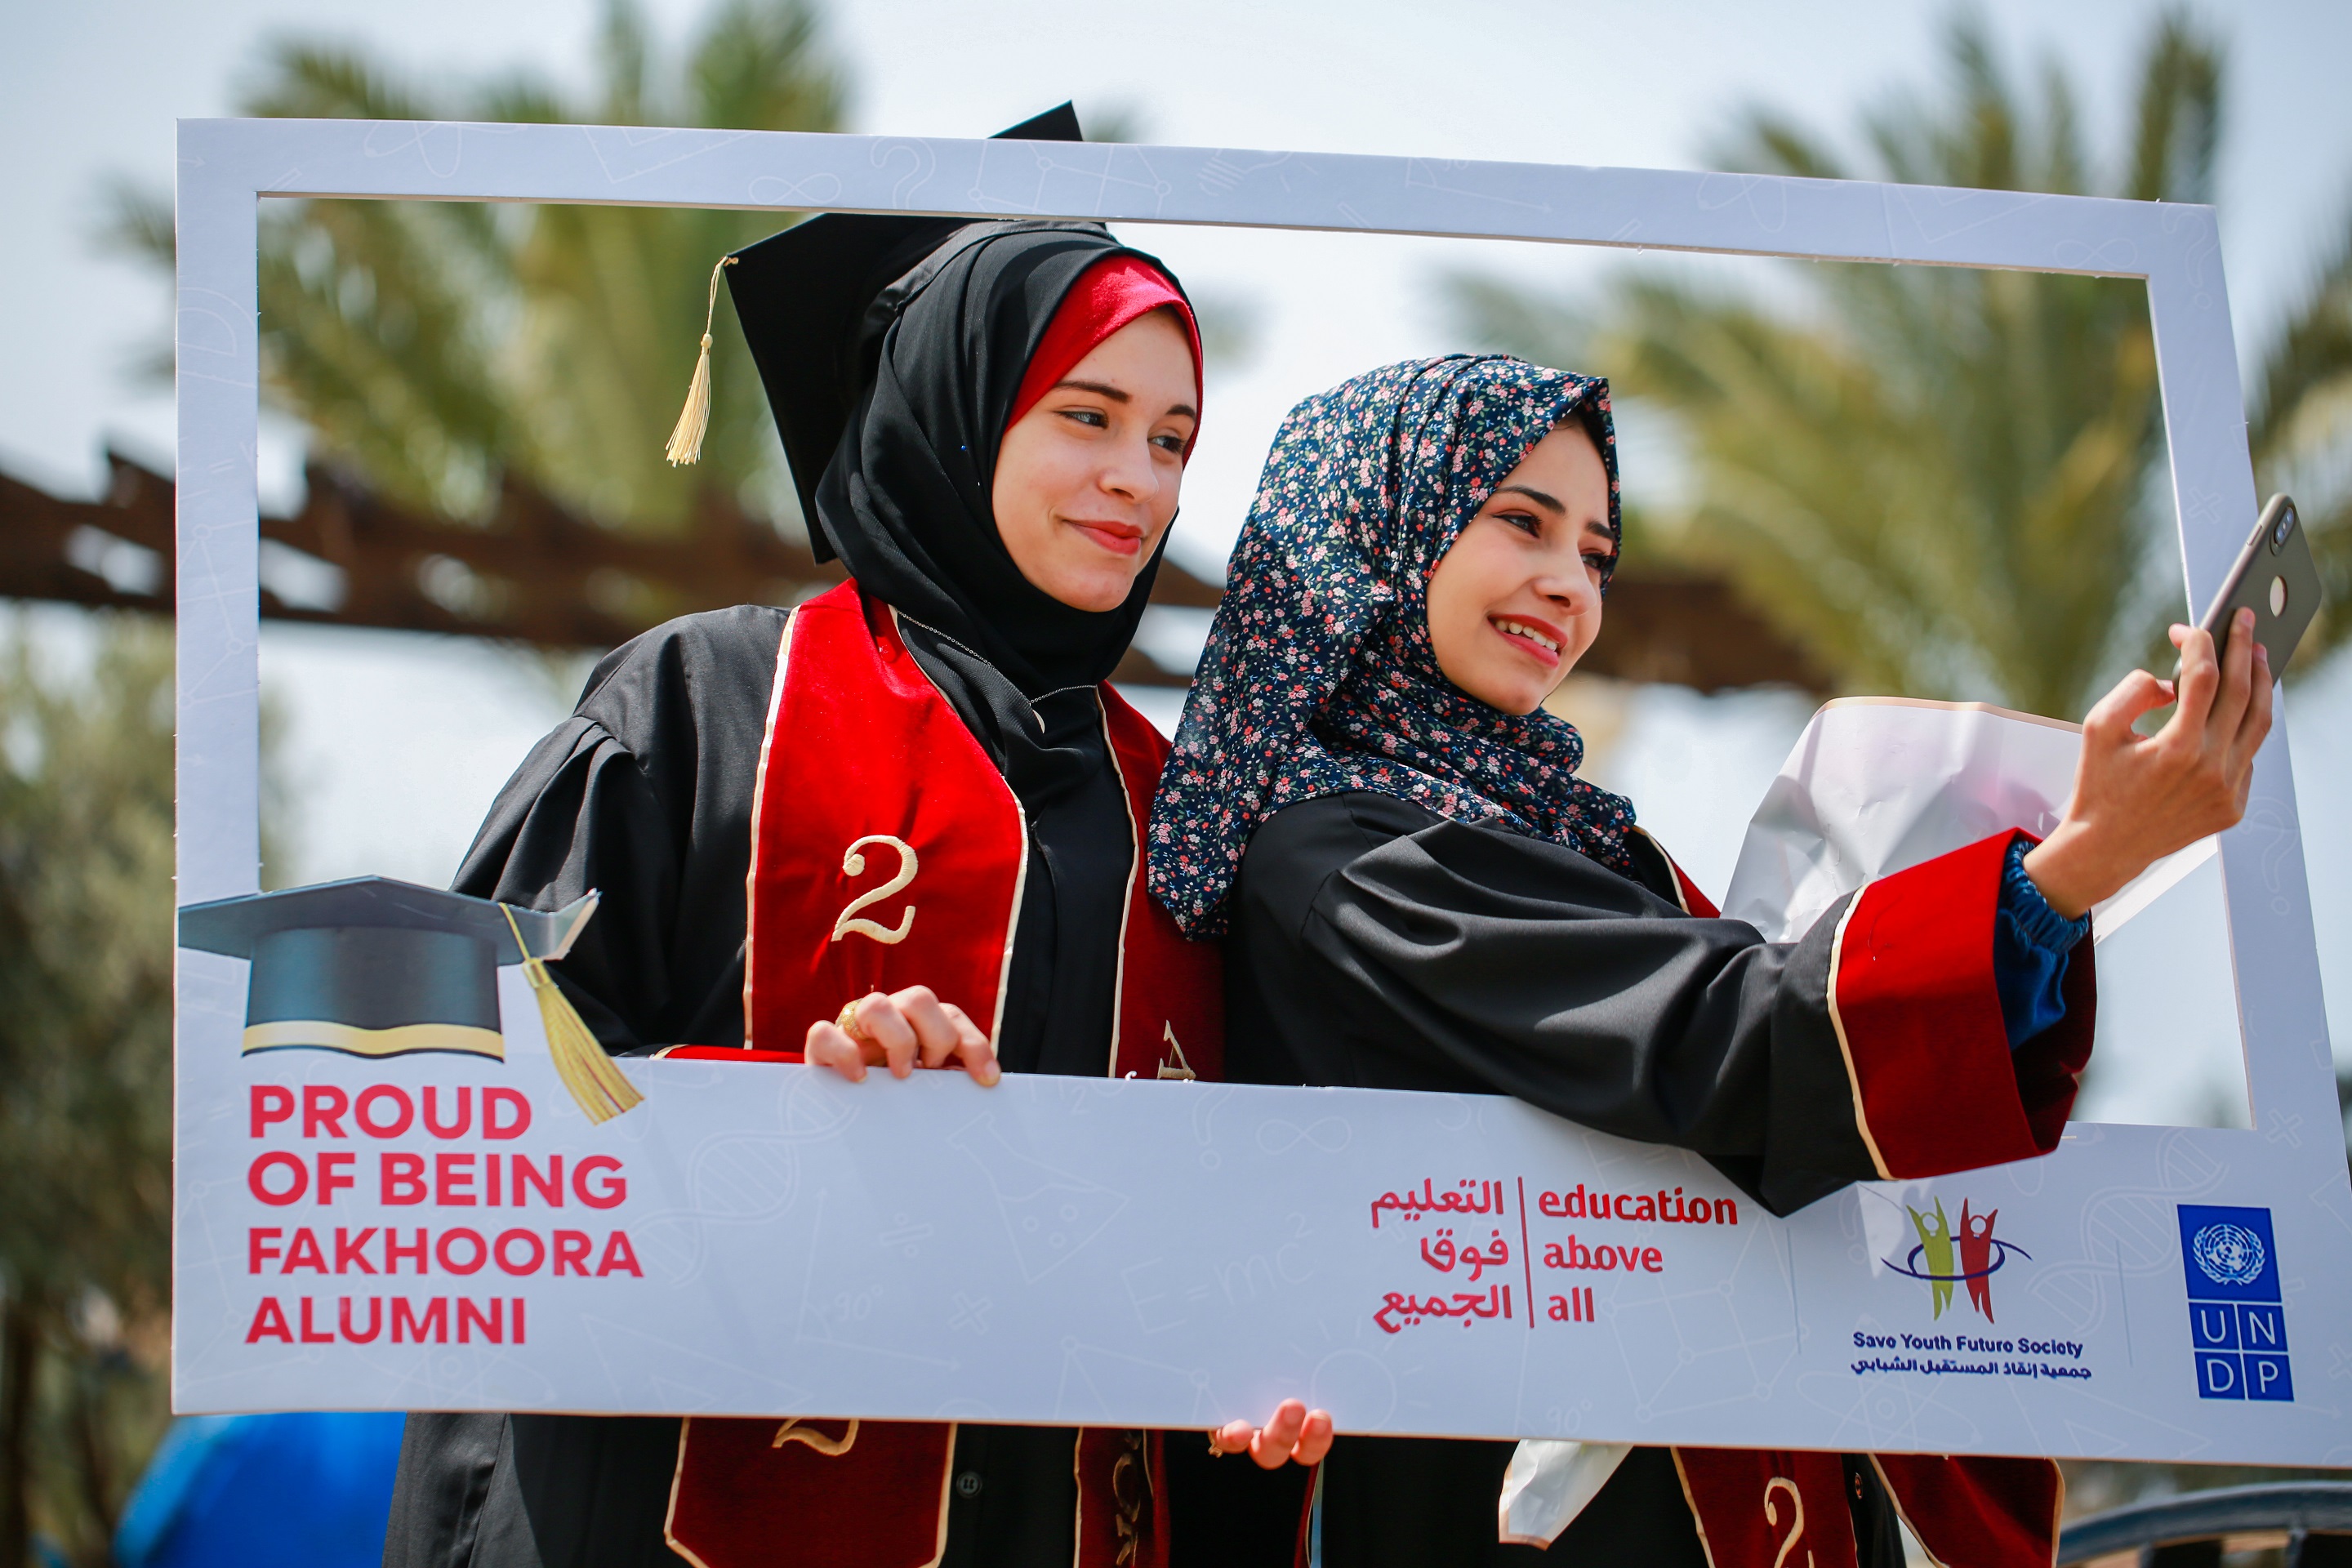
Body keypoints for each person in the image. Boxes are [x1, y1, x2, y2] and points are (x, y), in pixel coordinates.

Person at [384, 107, 1324, 1568]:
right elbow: (456, 1099)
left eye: (1175, 436)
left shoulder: (1184, 813)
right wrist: (777, 1105)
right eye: (1086, 416)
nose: (1141, 478)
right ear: (950, 408)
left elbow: (1228, 1248)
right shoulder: (703, 708)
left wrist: (1266, 1374)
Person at [1145, 354, 2272, 1567]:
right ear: (1373, 527)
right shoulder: (1344, 858)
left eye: (1595, 554)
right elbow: (1719, 1048)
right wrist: (2060, 880)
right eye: (1520, 521)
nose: (1567, 585)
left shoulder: (1569, 834)